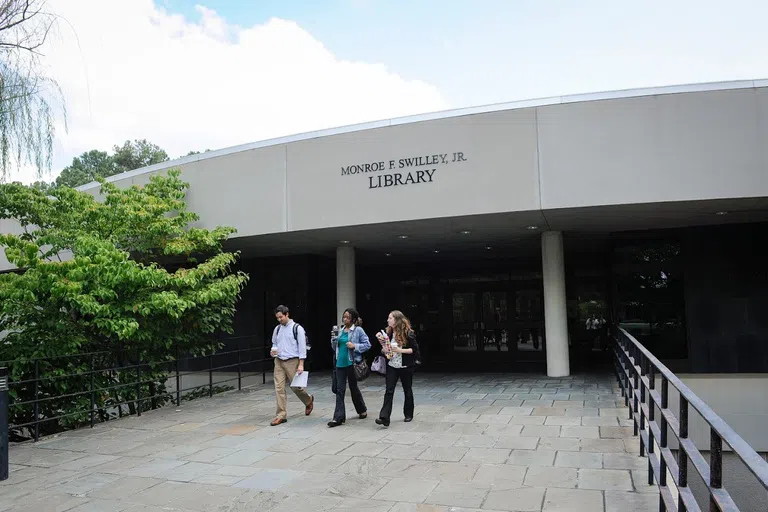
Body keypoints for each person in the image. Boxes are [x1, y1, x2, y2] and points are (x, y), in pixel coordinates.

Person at [269, 305, 314, 426]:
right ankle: (281, 415)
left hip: (292, 360)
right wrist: (273, 350)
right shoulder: (277, 329)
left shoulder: (297, 328)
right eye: (277, 318)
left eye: (281, 317)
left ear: (287, 314)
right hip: (279, 360)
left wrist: (301, 364)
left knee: (296, 387)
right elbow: (274, 342)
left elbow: (302, 347)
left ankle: (308, 400)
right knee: (279, 388)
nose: (279, 320)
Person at [375, 310, 421, 427]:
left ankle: (408, 414)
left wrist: (400, 350)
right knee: (389, 391)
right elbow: (385, 349)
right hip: (392, 365)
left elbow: (414, 350)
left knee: (407, 390)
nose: (388, 320)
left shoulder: (408, 333)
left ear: (396, 320)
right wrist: (383, 346)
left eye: (390, 318)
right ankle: (384, 417)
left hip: (405, 366)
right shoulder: (388, 333)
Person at [328, 308, 371, 427]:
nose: (345, 319)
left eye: (347, 317)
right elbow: (334, 348)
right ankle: (338, 418)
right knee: (339, 390)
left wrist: (354, 346)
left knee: (353, 388)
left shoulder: (358, 331)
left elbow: (367, 344)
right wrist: (333, 340)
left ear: (353, 319)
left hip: (351, 363)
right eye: (344, 316)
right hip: (339, 363)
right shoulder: (339, 330)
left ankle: (361, 409)